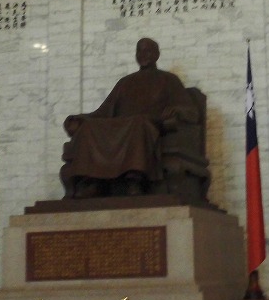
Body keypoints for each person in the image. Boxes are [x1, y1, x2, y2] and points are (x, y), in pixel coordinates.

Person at [60, 37, 199, 198]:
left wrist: (177, 109)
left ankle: (134, 180)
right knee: (89, 126)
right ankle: (92, 181)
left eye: (147, 51)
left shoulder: (169, 79)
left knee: (138, 122)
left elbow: (191, 111)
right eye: (139, 51)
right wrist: (81, 118)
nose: (143, 54)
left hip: (149, 124)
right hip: (123, 125)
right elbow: (104, 111)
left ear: (157, 54)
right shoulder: (125, 82)